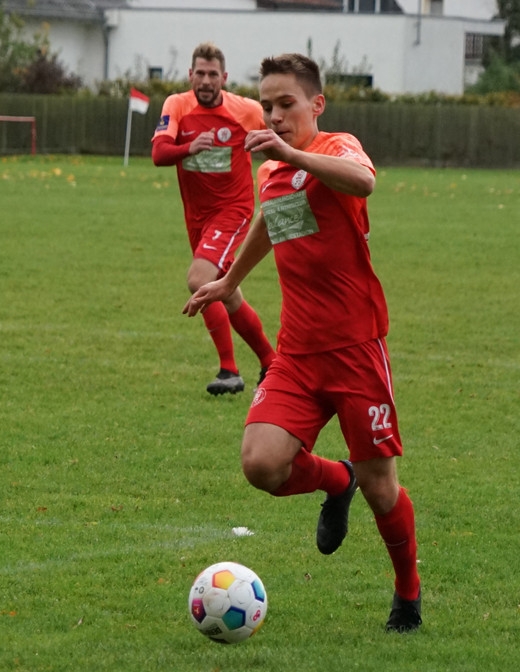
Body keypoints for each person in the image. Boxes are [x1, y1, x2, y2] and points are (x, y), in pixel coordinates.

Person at [185, 53, 421, 633]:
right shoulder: (272, 169)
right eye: (267, 105)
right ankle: (337, 480)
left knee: (382, 489)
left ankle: (407, 593)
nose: (275, 115)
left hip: (356, 349)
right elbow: (273, 220)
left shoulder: (338, 148)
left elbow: (365, 181)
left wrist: (293, 154)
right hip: (296, 352)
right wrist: (229, 281)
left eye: (286, 104)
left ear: (316, 104)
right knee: (261, 465)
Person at [152, 42, 276, 396]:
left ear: (224, 78)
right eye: (200, 74)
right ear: (190, 75)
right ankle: (270, 362)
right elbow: (159, 153)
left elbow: (281, 134)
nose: (206, 81)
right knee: (228, 293)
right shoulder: (177, 105)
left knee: (199, 279)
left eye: (213, 74)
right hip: (197, 216)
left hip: (233, 210)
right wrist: (188, 148)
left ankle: (228, 369)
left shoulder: (246, 110)